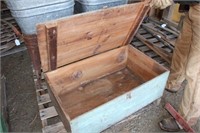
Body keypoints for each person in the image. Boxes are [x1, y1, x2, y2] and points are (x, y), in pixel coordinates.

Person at [150, 0, 200, 132]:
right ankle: (173, 83)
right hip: (194, 7)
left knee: (195, 71)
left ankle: (186, 118)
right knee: (182, 50)